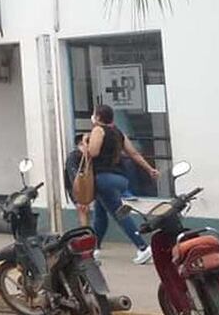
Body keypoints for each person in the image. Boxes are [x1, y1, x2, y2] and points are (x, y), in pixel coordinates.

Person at [87, 104, 159, 265]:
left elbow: (93, 152)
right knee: (99, 213)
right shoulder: (119, 133)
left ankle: (142, 247)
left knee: (119, 214)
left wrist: (86, 142)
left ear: (98, 117)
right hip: (119, 179)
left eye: (94, 115)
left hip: (103, 178)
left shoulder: (98, 130)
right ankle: (94, 248)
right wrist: (150, 169)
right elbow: (133, 153)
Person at [63, 134, 90, 227]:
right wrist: (79, 198)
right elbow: (74, 178)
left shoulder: (88, 157)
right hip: (77, 190)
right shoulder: (74, 157)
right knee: (82, 209)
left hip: (85, 188)